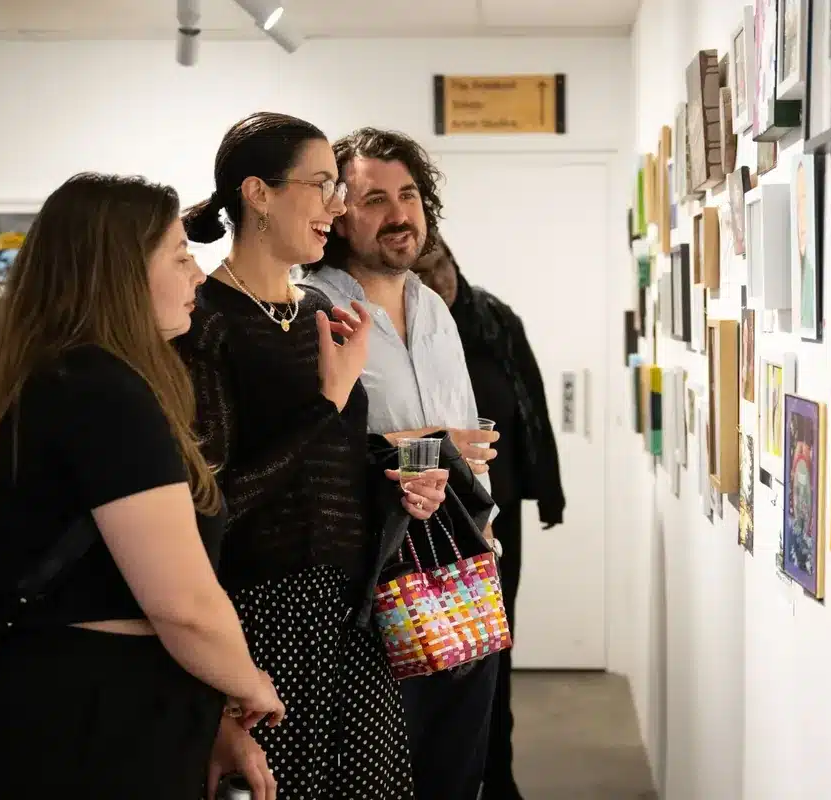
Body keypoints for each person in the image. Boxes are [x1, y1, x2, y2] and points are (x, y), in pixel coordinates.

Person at [0, 172, 283, 800]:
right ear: (120, 274)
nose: (197, 274)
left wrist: (211, 710)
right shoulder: (102, 391)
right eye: (180, 256)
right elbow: (182, 602)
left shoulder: (58, 379)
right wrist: (249, 684)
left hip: (79, 706)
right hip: (96, 723)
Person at [177, 112, 450, 800]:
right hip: (262, 619)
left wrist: (402, 483)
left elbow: (335, 466)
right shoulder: (205, 321)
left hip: (354, 607)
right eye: (322, 184)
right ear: (258, 195)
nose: (336, 205)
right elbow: (211, 503)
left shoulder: (316, 316)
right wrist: (327, 400)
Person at [300, 127, 503, 800]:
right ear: (338, 215)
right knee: (383, 775)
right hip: (369, 579)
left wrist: (487, 533)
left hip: (459, 566)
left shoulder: (434, 307)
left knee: (458, 769)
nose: (399, 215)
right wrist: (433, 444)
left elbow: (464, 436)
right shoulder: (317, 310)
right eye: (375, 199)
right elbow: (322, 448)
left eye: (409, 195)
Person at [411, 235, 565, 800]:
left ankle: (498, 775)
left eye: (442, 266)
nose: (439, 281)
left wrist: (549, 491)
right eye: (424, 273)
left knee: (495, 644)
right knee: (441, 654)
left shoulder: (496, 320)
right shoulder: (409, 334)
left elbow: (532, 405)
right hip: (428, 512)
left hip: (497, 511)